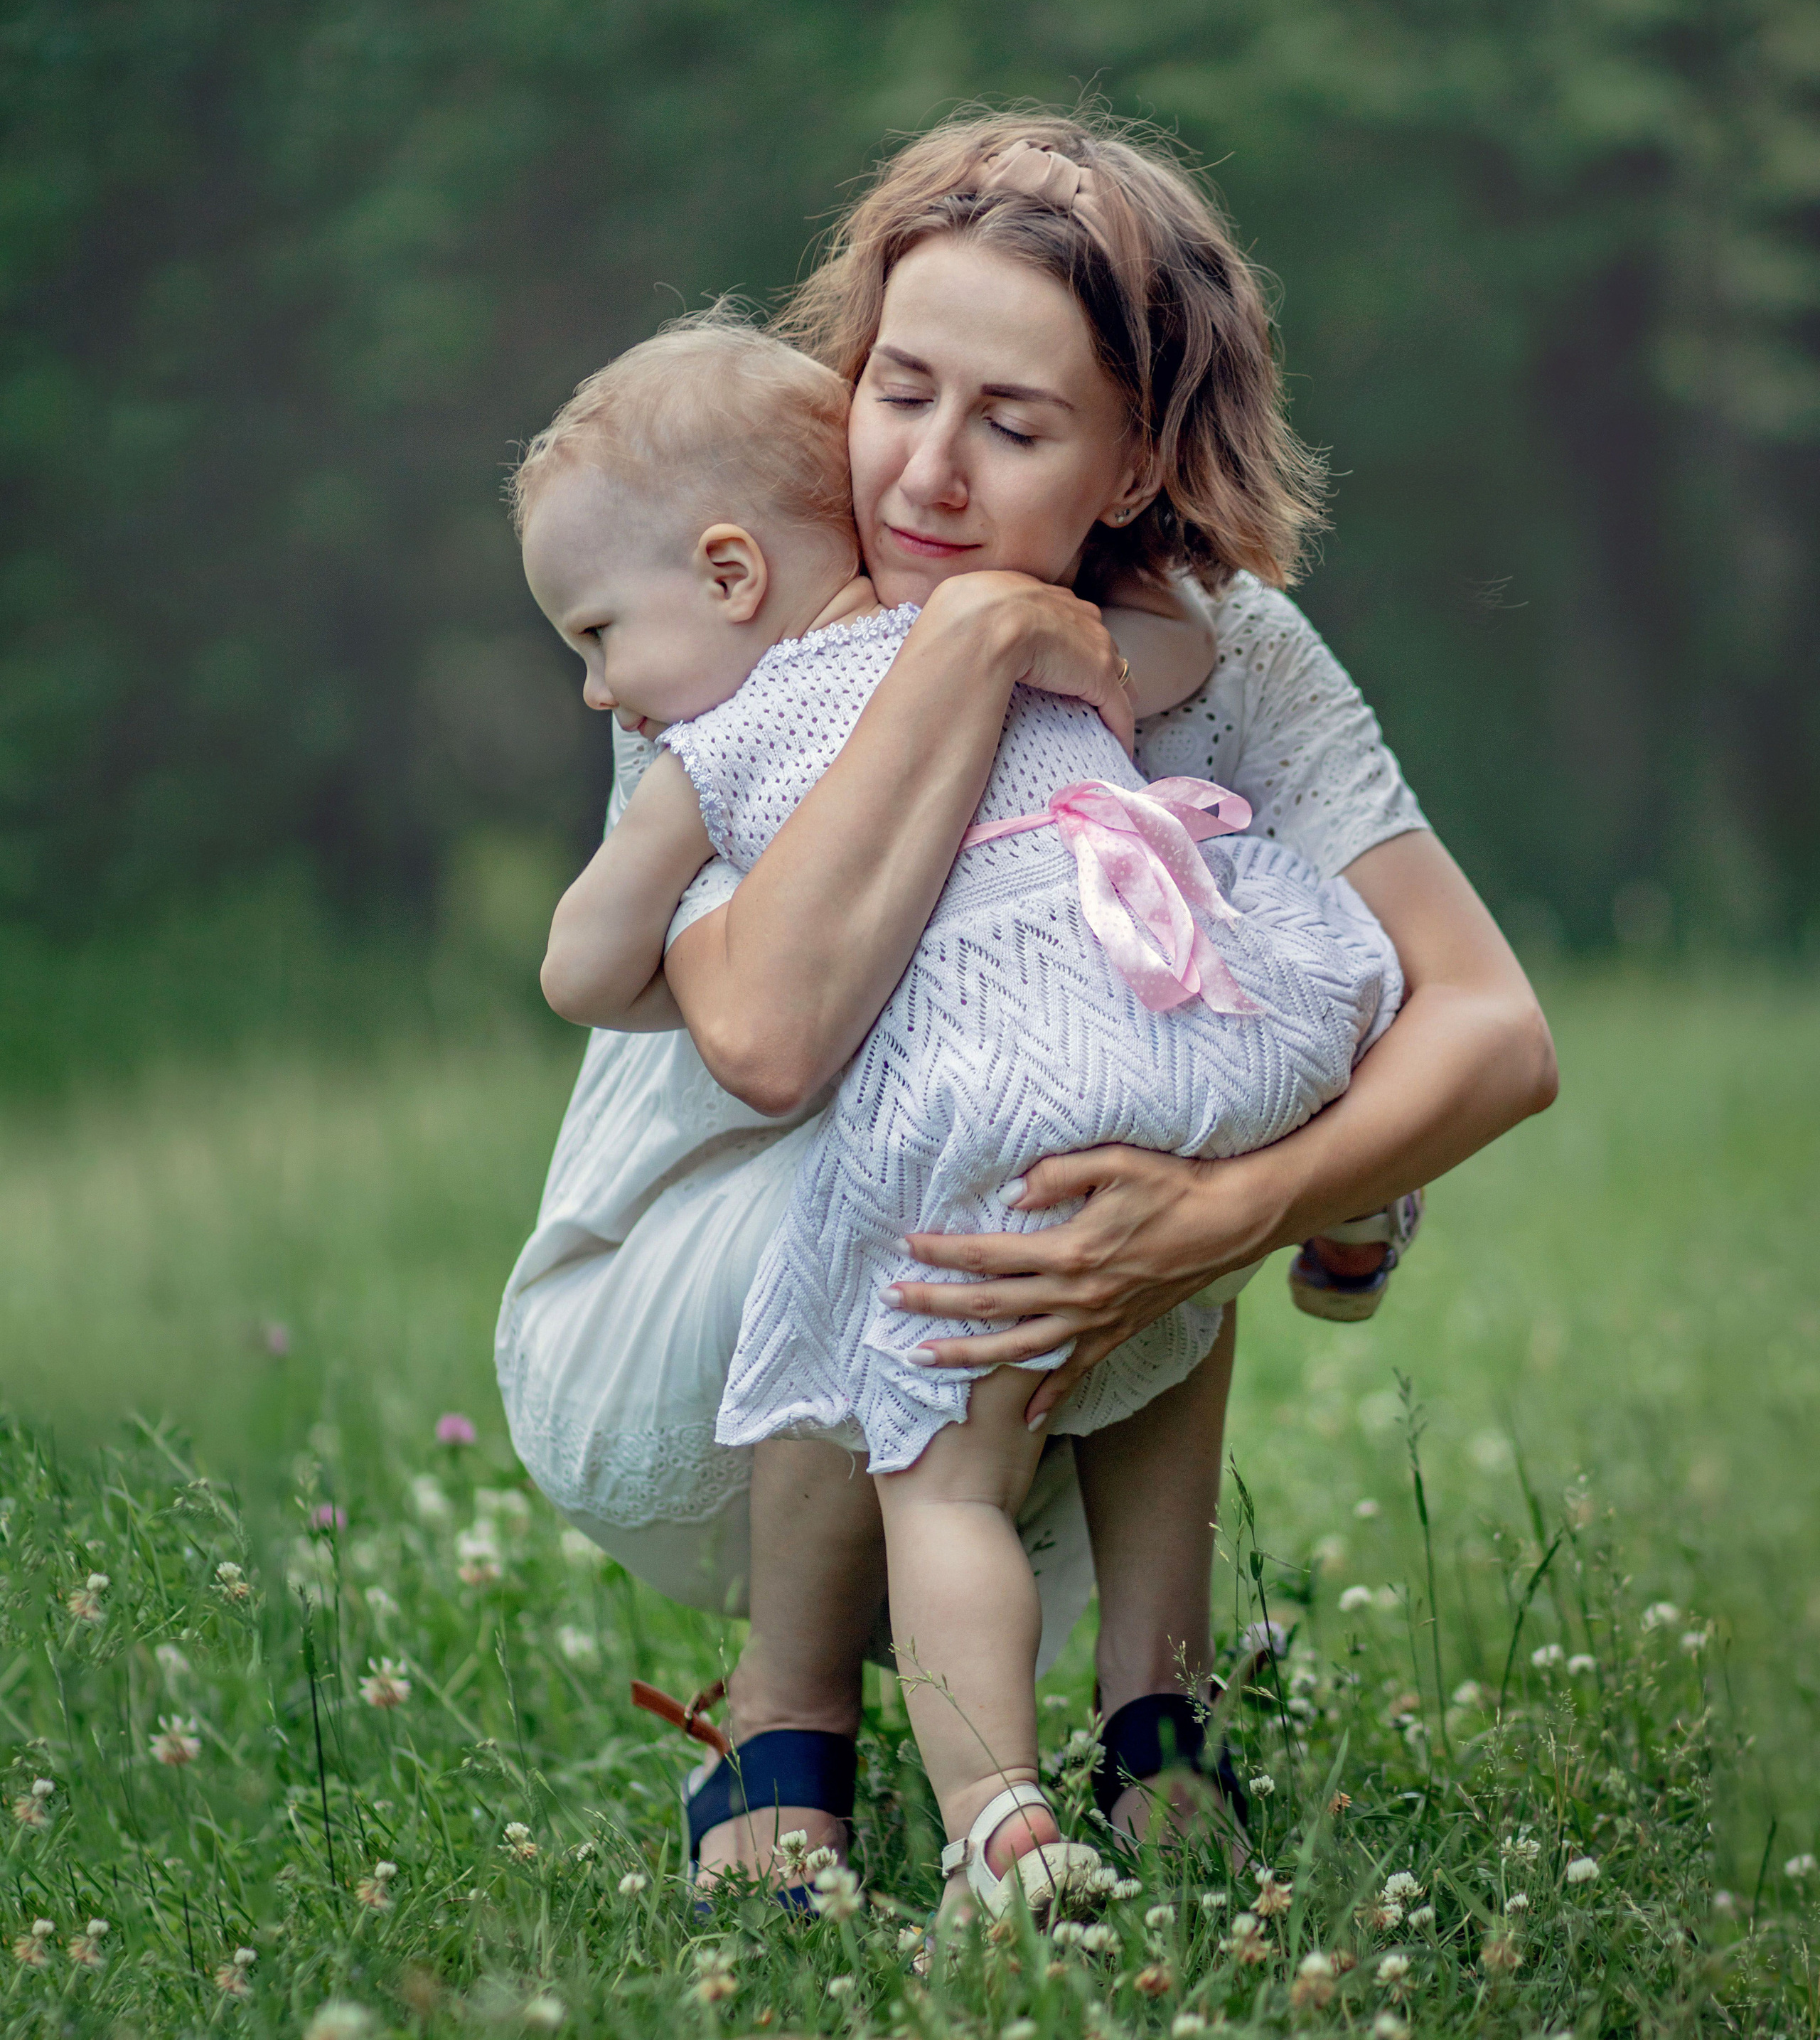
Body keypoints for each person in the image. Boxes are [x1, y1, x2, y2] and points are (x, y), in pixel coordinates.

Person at [495, 110, 1558, 1894]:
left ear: (1134, 462)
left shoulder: (1222, 643)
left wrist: (1219, 1213)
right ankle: (784, 1741)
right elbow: (765, 1039)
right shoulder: (743, 603)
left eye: (1012, 423)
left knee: (1151, 1089)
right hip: (679, 1325)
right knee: (1032, 1128)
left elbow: (1492, 1028)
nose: (923, 472)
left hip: (999, 1351)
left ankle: (1158, 1733)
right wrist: (978, 642)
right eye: (899, 387)